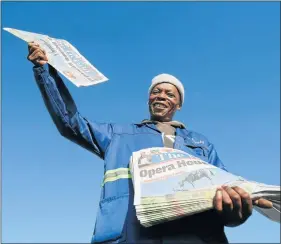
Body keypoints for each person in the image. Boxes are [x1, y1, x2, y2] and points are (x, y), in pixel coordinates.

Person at [27, 42, 272, 244]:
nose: (161, 96)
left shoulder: (201, 144)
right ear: (148, 98)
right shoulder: (118, 135)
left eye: (169, 94)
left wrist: (236, 211)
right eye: (156, 91)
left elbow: (226, 196)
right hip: (131, 237)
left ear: (178, 104)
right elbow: (70, 124)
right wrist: (45, 72)